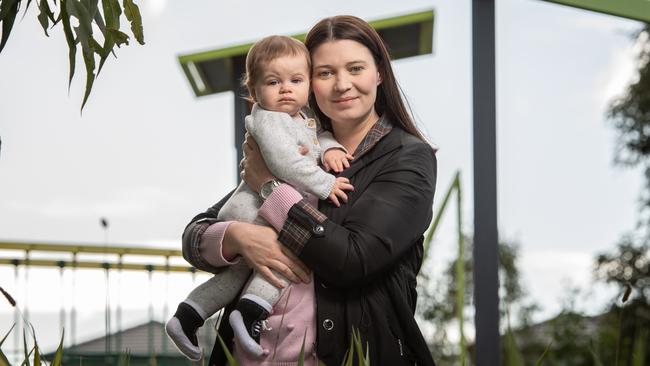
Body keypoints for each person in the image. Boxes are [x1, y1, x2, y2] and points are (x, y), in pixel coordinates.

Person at [182, 15, 438, 366]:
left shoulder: (407, 159)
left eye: (356, 68)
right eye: (325, 73)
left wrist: (270, 190)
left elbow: (353, 259)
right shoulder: (295, 149)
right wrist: (238, 238)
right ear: (308, 83)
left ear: (379, 72)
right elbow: (194, 237)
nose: (342, 84)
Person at [166, 35, 354, 361]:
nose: (285, 88)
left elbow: (315, 136)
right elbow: (285, 162)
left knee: (238, 272)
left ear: (307, 85)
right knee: (288, 255)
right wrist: (325, 183)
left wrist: (333, 147)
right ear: (254, 92)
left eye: (296, 80)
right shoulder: (266, 118)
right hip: (252, 209)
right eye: (273, 81)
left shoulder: (300, 118)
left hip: (262, 207)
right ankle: (251, 312)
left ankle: (190, 315)